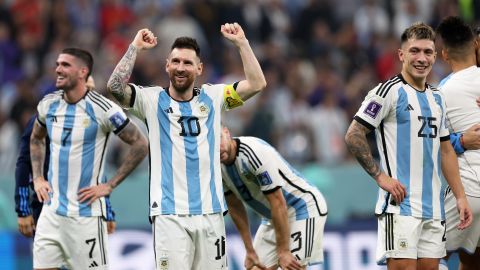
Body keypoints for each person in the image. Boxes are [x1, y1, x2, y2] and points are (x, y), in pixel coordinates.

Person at [106, 23, 266, 270]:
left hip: (211, 214)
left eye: (188, 63)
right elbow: (114, 87)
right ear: (167, 65)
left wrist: (242, 43)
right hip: (170, 216)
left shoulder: (214, 97)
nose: (181, 68)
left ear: (199, 69)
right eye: (176, 61)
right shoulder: (151, 100)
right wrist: (135, 47)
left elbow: (256, 84)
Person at [344, 22, 473, 270]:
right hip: (400, 207)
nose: (421, 58)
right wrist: (381, 177)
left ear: (436, 56)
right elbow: (354, 134)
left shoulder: (437, 97)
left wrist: (460, 196)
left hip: (433, 209)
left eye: (427, 52)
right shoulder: (387, 92)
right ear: (401, 54)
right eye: (414, 51)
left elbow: (446, 149)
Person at [30, 48, 149, 270]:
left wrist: (109, 185)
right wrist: (37, 177)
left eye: (65, 65)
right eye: (57, 64)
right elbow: (36, 139)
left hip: (86, 216)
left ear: (83, 71)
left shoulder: (103, 108)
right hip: (51, 213)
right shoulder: (48, 104)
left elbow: (141, 144)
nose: (58, 69)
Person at [15, 76, 116, 239]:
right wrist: (23, 209)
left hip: (85, 210)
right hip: (49, 206)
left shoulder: (94, 124)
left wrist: (107, 210)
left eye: (91, 90)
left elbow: (97, 170)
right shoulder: (45, 118)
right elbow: (24, 163)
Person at [220, 126, 327, 270]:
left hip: (303, 207)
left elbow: (278, 201)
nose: (218, 148)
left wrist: (283, 251)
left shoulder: (253, 152)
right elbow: (234, 206)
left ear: (227, 132)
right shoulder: (215, 166)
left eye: (219, 138)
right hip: (274, 217)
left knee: (291, 266)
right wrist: (249, 250)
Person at [436, 16, 480, 270]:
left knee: (428, 256)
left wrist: (460, 141)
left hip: (469, 189)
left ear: (444, 55)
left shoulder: (441, 92)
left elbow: (430, 143)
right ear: (474, 45)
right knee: (471, 260)